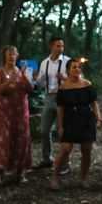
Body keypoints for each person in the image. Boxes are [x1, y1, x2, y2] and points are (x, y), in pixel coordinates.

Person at [50, 59, 102, 191]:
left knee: (86, 149)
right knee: (65, 149)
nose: (77, 69)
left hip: (85, 118)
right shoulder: (63, 88)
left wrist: (99, 118)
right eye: (74, 67)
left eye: (78, 67)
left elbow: (94, 103)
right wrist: (60, 126)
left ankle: (83, 178)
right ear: (68, 70)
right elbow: (60, 108)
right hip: (70, 119)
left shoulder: (87, 84)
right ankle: (54, 177)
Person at [0, 46, 34, 186]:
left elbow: (31, 88)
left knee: (21, 139)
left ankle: (20, 172)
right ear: (4, 56)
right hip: (4, 112)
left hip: (20, 111)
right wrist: (11, 79)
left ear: (17, 56)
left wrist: (23, 75)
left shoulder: (24, 71)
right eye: (9, 54)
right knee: (3, 140)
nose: (11, 57)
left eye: (13, 54)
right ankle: (0, 173)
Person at [33, 37, 70, 169]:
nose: (61, 48)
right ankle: (46, 158)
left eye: (62, 46)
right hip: (49, 97)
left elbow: (77, 78)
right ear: (52, 47)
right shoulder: (44, 63)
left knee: (63, 131)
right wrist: (37, 80)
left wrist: (65, 78)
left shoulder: (67, 61)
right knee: (44, 129)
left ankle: (65, 162)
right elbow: (41, 84)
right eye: (58, 46)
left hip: (64, 97)